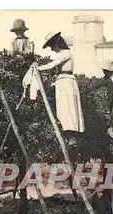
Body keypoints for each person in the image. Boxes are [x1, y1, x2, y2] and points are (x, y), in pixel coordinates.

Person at [37, 31, 85, 162]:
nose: (52, 49)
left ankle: (71, 136)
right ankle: (67, 135)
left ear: (57, 43)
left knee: (69, 110)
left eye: (52, 45)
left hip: (67, 83)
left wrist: (37, 68)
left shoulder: (66, 53)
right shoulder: (62, 55)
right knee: (63, 110)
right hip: (62, 82)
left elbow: (52, 65)